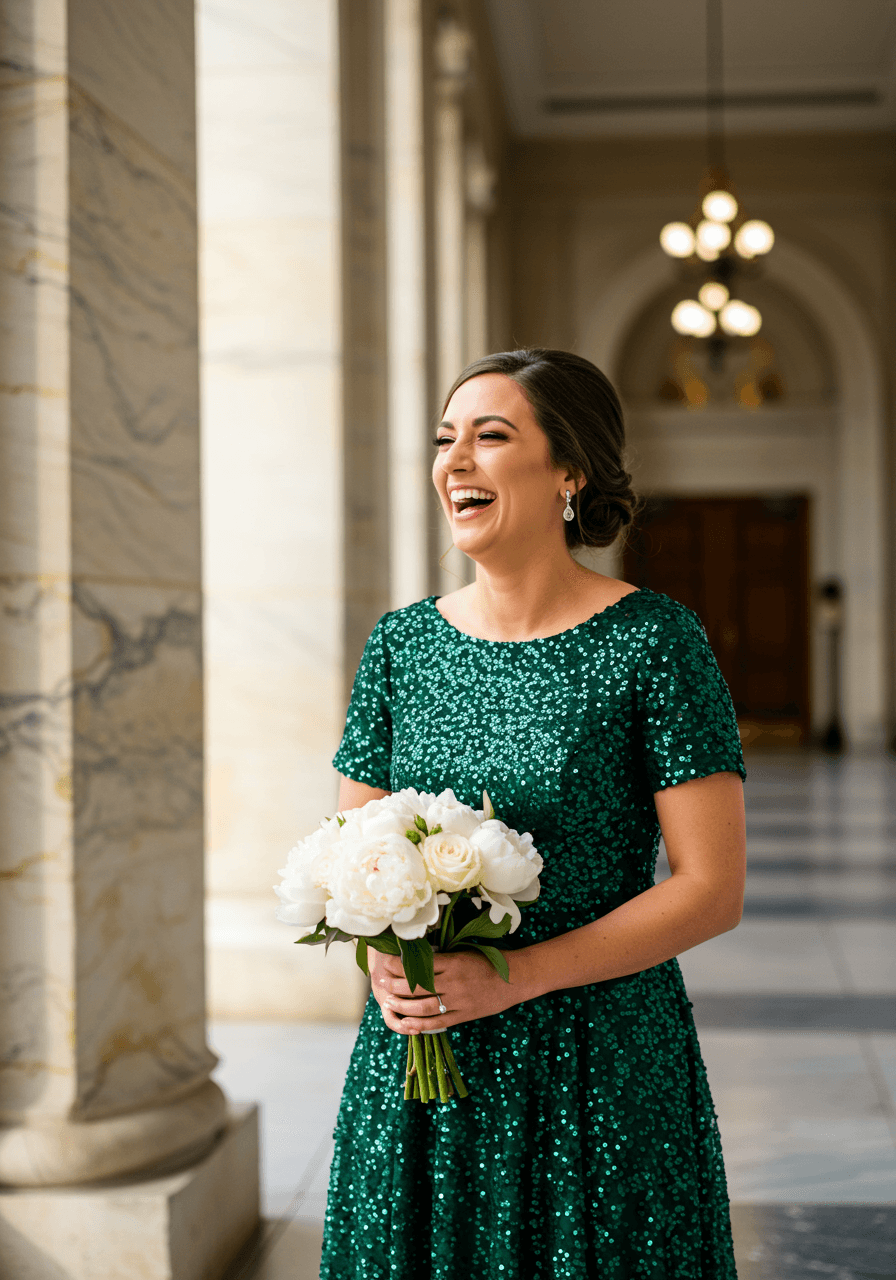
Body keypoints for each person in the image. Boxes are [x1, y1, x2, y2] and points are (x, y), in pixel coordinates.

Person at [320, 348, 746, 1279]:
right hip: (422, 1067)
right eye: (445, 439)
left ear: (569, 471)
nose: (455, 459)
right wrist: (383, 959)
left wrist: (518, 976)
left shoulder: (656, 641)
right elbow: (343, 860)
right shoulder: (401, 645)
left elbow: (712, 890)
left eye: (491, 435)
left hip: (600, 1060)